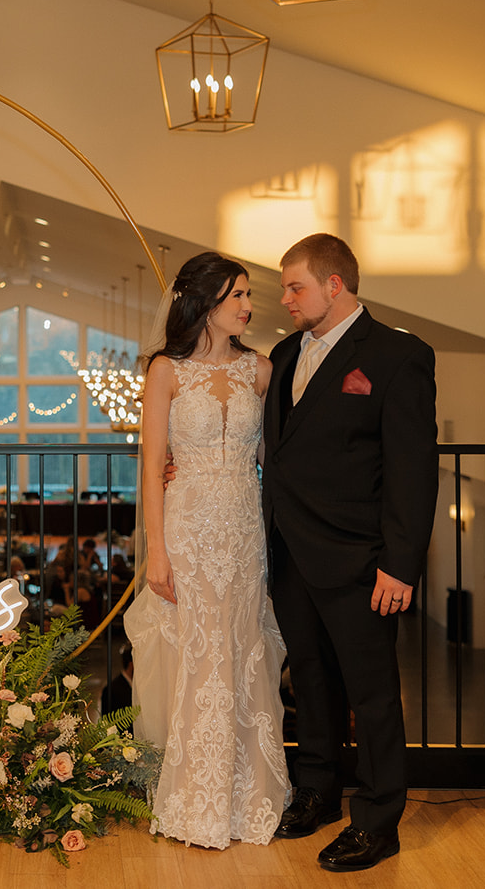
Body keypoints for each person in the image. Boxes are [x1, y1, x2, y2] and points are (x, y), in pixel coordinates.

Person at [263, 233, 437, 873]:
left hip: (362, 561)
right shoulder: (285, 354)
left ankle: (378, 821)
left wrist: (400, 564)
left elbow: (413, 470)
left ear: (334, 285)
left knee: (373, 694)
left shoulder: (398, 355)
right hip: (291, 554)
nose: (285, 299)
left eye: (296, 287)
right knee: (309, 681)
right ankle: (318, 790)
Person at [126, 251, 289, 848]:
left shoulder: (261, 371)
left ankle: (248, 794)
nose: (249, 305)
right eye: (238, 295)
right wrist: (157, 552)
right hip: (187, 531)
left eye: (248, 295)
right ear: (205, 302)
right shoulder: (165, 371)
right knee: (195, 654)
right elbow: (152, 467)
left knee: (242, 651)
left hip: (244, 531)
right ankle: (194, 797)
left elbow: (276, 457)